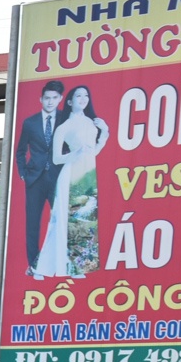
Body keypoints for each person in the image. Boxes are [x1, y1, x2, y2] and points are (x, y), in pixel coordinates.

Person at [36, 83, 108, 279]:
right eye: (78, 96)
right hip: (71, 175)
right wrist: (75, 153)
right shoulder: (65, 127)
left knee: (86, 221)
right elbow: (57, 158)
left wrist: (105, 132)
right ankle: (59, 267)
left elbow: (94, 151)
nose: (83, 99)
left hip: (88, 173)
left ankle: (79, 265)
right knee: (67, 221)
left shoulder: (92, 124)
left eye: (86, 95)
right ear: (69, 101)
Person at [16, 80, 67, 278]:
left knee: (61, 221)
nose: (50, 102)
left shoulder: (65, 119)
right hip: (35, 179)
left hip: (57, 178)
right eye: (47, 98)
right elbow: (20, 151)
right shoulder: (30, 122)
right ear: (41, 99)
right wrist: (23, 173)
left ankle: (61, 263)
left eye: (55, 98)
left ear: (61, 99)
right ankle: (34, 266)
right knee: (33, 225)